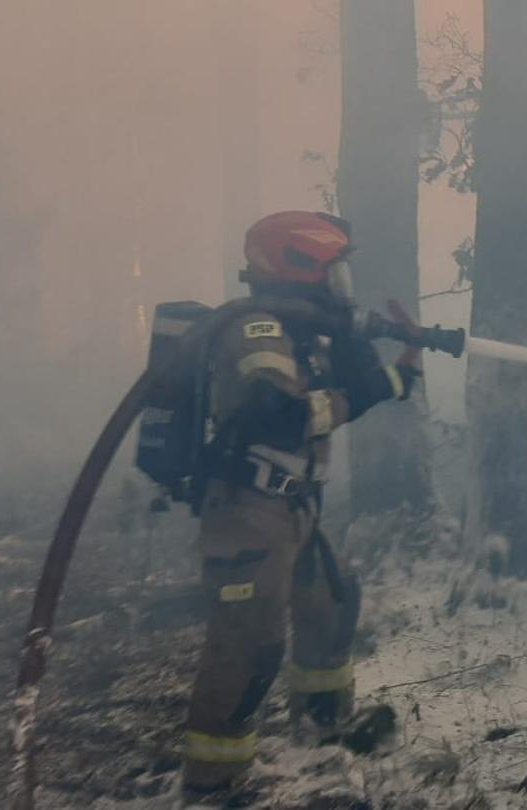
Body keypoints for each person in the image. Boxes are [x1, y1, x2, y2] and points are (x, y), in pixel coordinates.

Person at [180, 211, 420, 800]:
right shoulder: (257, 331)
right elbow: (280, 415)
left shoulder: (307, 331)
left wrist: (389, 364)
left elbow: (359, 390)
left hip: (293, 507)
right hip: (247, 510)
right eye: (333, 269)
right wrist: (357, 389)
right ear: (299, 264)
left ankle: (321, 731)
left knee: (332, 606)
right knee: (249, 645)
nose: (342, 282)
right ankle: (213, 782)